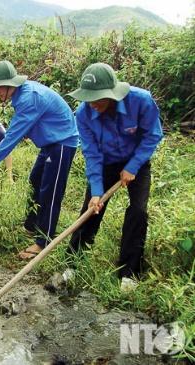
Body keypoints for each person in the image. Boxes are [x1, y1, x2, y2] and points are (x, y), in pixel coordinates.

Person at [66, 62, 163, 291]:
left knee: (138, 211)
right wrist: (97, 191)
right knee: (91, 209)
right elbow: (91, 153)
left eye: (98, 98)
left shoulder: (141, 101)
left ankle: (129, 271)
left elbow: (153, 135)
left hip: (136, 162)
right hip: (105, 163)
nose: (93, 104)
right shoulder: (83, 113)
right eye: (89, 98)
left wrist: (133, 166)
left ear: (112, 93)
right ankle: (72, 264)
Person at [0, 61, 78, 259]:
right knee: (35, 181)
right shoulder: (21, 94)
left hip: (62, 142)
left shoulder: (28, 98)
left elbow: (11, 137)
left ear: (10, 84)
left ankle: (44, 241)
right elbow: (30, 122)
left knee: (50, 190)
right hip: (49, 141)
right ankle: (32, 226)